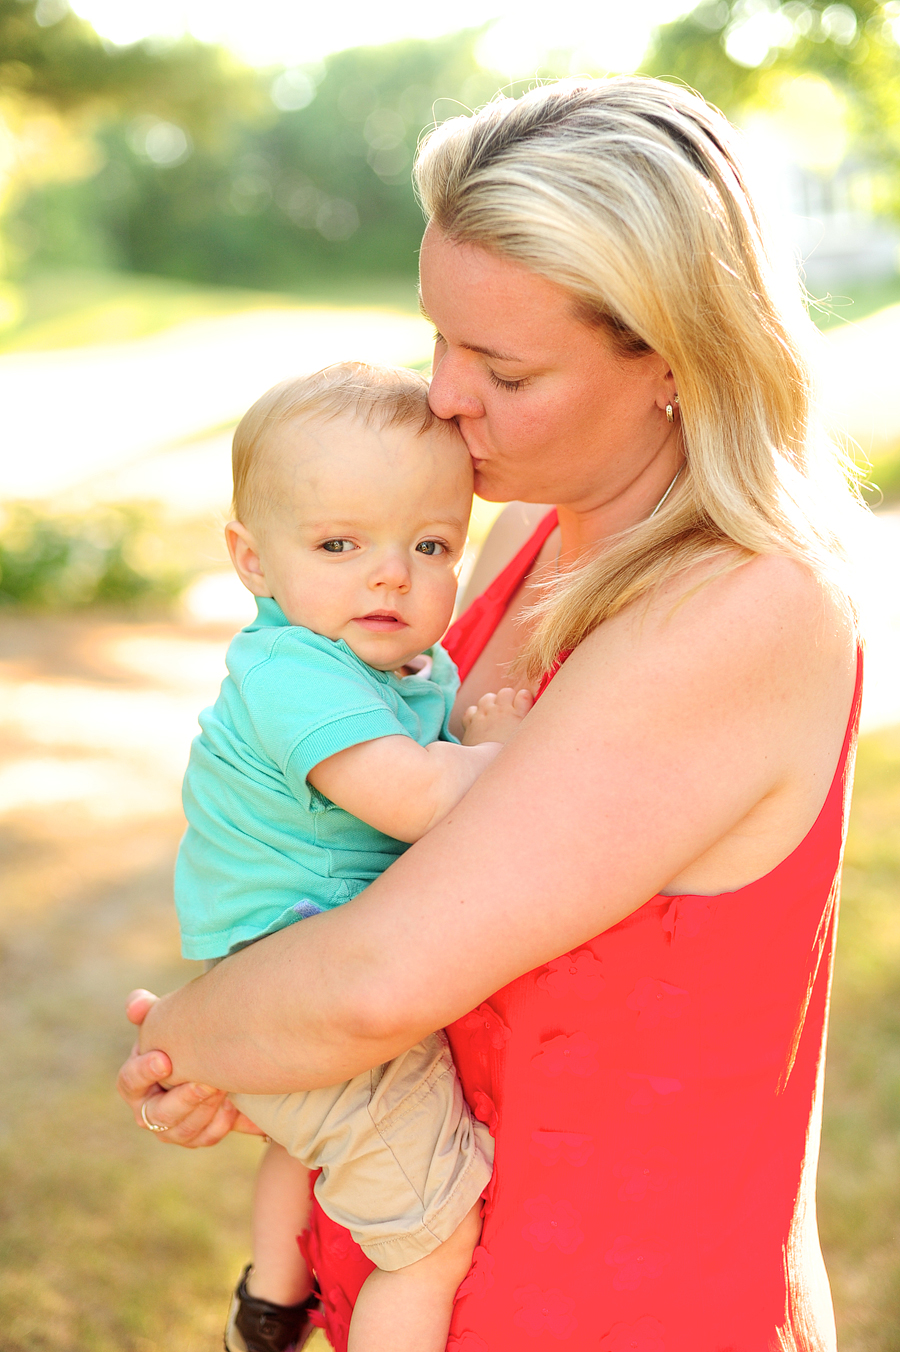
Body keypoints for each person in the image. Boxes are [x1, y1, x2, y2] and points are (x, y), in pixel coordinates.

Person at [118, 77, 864, 1352]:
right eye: (438, 339)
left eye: (504, 368)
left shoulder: (743, 608)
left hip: (612, 1305)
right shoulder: (528, 538)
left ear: (675, 358)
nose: (445, 397)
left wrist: (195, 1037)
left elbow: (376, 979)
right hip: (417, 1255)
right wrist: (277, 1061)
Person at [170, 362, 531, 1352]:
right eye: (340, 543)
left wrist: (463, 739)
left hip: (299, 962)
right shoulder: (290, 671)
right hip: (294, 979)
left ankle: (269, 1305)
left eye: (430, 544)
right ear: (252, 558)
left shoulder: (395, 661)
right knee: (432, 1234)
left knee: (315, 1137)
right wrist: (521, 752)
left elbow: (422, 759)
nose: (391, 574)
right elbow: (414, 796)